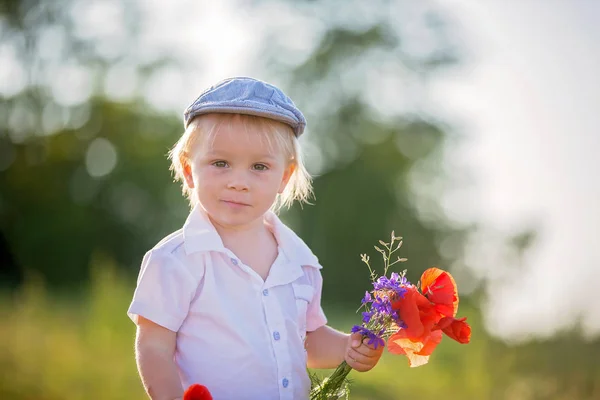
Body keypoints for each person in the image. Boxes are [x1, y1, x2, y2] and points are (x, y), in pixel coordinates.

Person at [127, 77, 383, 400]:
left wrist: (348, 347)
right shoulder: (176, 259)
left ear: (284, 176)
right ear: (189, 169)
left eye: (259, 167)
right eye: (221, 163)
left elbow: (307, 339)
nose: (239, 182)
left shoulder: (299, 261)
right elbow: (153, 346)